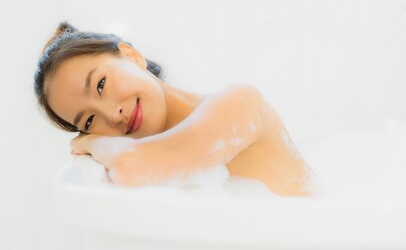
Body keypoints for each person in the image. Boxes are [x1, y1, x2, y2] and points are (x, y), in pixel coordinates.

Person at [34, 22, 314, 197]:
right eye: (90, 120)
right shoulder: (167, 170)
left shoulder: (241, 104)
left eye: (101, 85)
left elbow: (132, 169)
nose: (112, 115)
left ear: (132, 56)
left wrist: (93, 140)